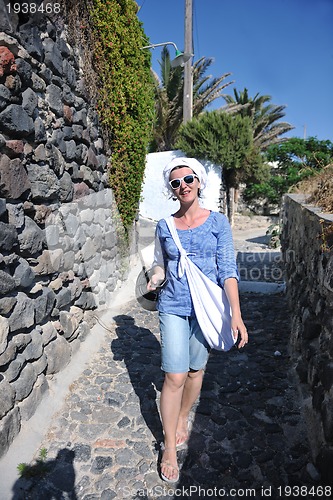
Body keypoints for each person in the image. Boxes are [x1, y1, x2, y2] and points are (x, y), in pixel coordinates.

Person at [147, 157, 248, 483]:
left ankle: (182, 417)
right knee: (174, 376)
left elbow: (228, 271)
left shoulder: (218, 223)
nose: (183, 185)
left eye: (188, 179)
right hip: (173, 306)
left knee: (195, 372)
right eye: (176, 182)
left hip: (208, 310)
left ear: (199, 182)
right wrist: (155, 278)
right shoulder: (164, 226)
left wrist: (236, 314)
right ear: (171, 190)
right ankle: (170, 448)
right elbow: (160, 265)